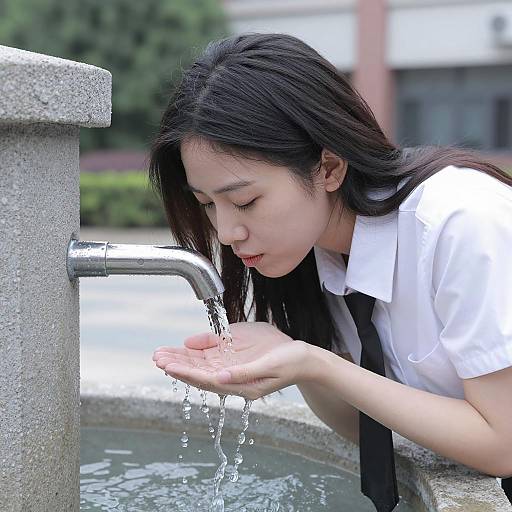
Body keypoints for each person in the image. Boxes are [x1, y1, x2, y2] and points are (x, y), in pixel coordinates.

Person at [149, 32, 512, 510]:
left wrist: (315, 363)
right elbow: (364, 426)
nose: (226, 232)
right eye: (207, 205)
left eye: (244, 201)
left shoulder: (461, 223)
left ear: (329, 167)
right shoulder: (308, 252)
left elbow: (503, 442)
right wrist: (298, 362)